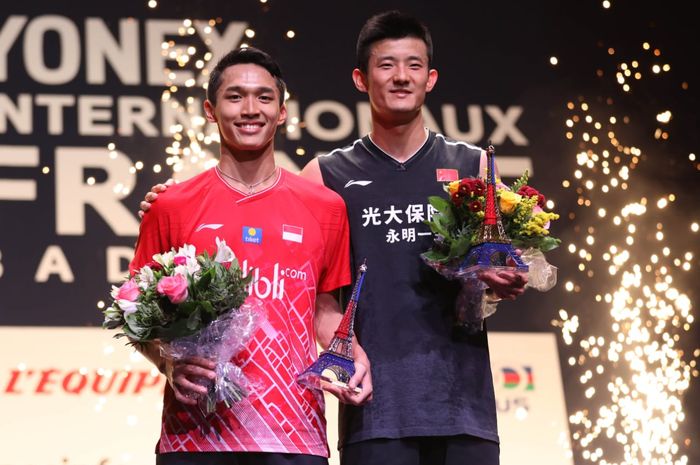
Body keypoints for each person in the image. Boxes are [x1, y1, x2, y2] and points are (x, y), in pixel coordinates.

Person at [141, 12, 527, 465]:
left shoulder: (472, 166)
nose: (401, 77)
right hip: (363, 413)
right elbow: (145, 310)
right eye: (386, 65)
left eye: (414, 65)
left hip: (457, 405)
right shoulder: (325, 179)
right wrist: (169, 359)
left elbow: (503, 266)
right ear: (361, 79)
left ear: (431, 77)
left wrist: (508, 276)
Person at [131, 46, 372, 465]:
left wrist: (349, 350)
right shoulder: (172, 205)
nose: (249, 109)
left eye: (263, 97)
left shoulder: (326, 207)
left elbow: (323, 308)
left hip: (294, 435)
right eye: (234, 96)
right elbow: (136, 313)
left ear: (282, 112)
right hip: (196, 435)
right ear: (210, 109)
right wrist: (168, 362)